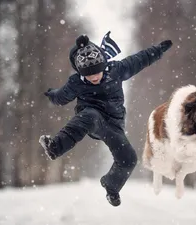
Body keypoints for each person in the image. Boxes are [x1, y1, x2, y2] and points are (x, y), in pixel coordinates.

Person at [39, 31, 172, 206]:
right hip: (92, 121)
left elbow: (139, 60)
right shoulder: (76, 82)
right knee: (90, 115)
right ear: (81, 72)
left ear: (103, 65)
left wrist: (157, 50)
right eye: (88, 75)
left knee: (129, 158)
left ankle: (111, 185)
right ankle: (55, 147)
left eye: (97, 73)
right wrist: (51, 94)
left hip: (115, 125)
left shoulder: (116, 70)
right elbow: (61, 97)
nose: (94, 77)